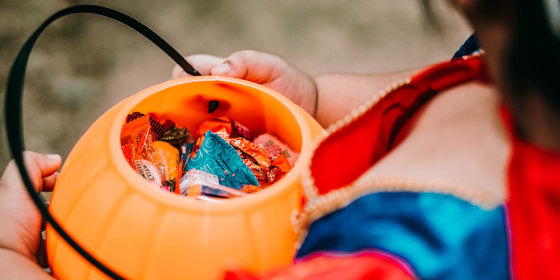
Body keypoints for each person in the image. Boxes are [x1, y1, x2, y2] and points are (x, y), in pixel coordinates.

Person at [1, 0, 559, 279]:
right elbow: (417, 97)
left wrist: (8, 257)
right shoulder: (518, 71)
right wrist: (314, 99)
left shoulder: (402, 260)